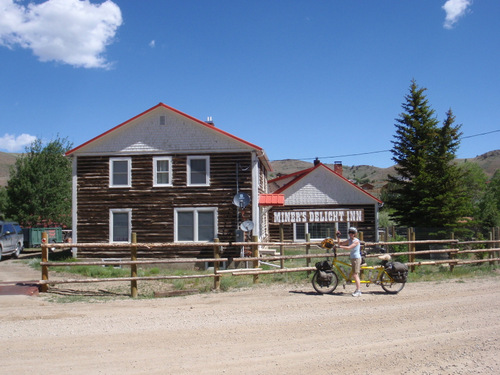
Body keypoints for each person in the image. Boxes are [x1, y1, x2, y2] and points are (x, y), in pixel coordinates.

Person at [337, 227, 362, 297]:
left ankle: (358, 290)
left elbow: (348, 247)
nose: (351, 234)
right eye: (350, 233)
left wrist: (340, 247)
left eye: (352, 233)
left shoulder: (356, 241)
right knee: (354, 274)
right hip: (353, 258)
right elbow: (340, 243)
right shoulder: (350, 240)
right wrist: (338, 237)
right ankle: (357, 290)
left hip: (356, 258)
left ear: (355, 234)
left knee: (355, 274)